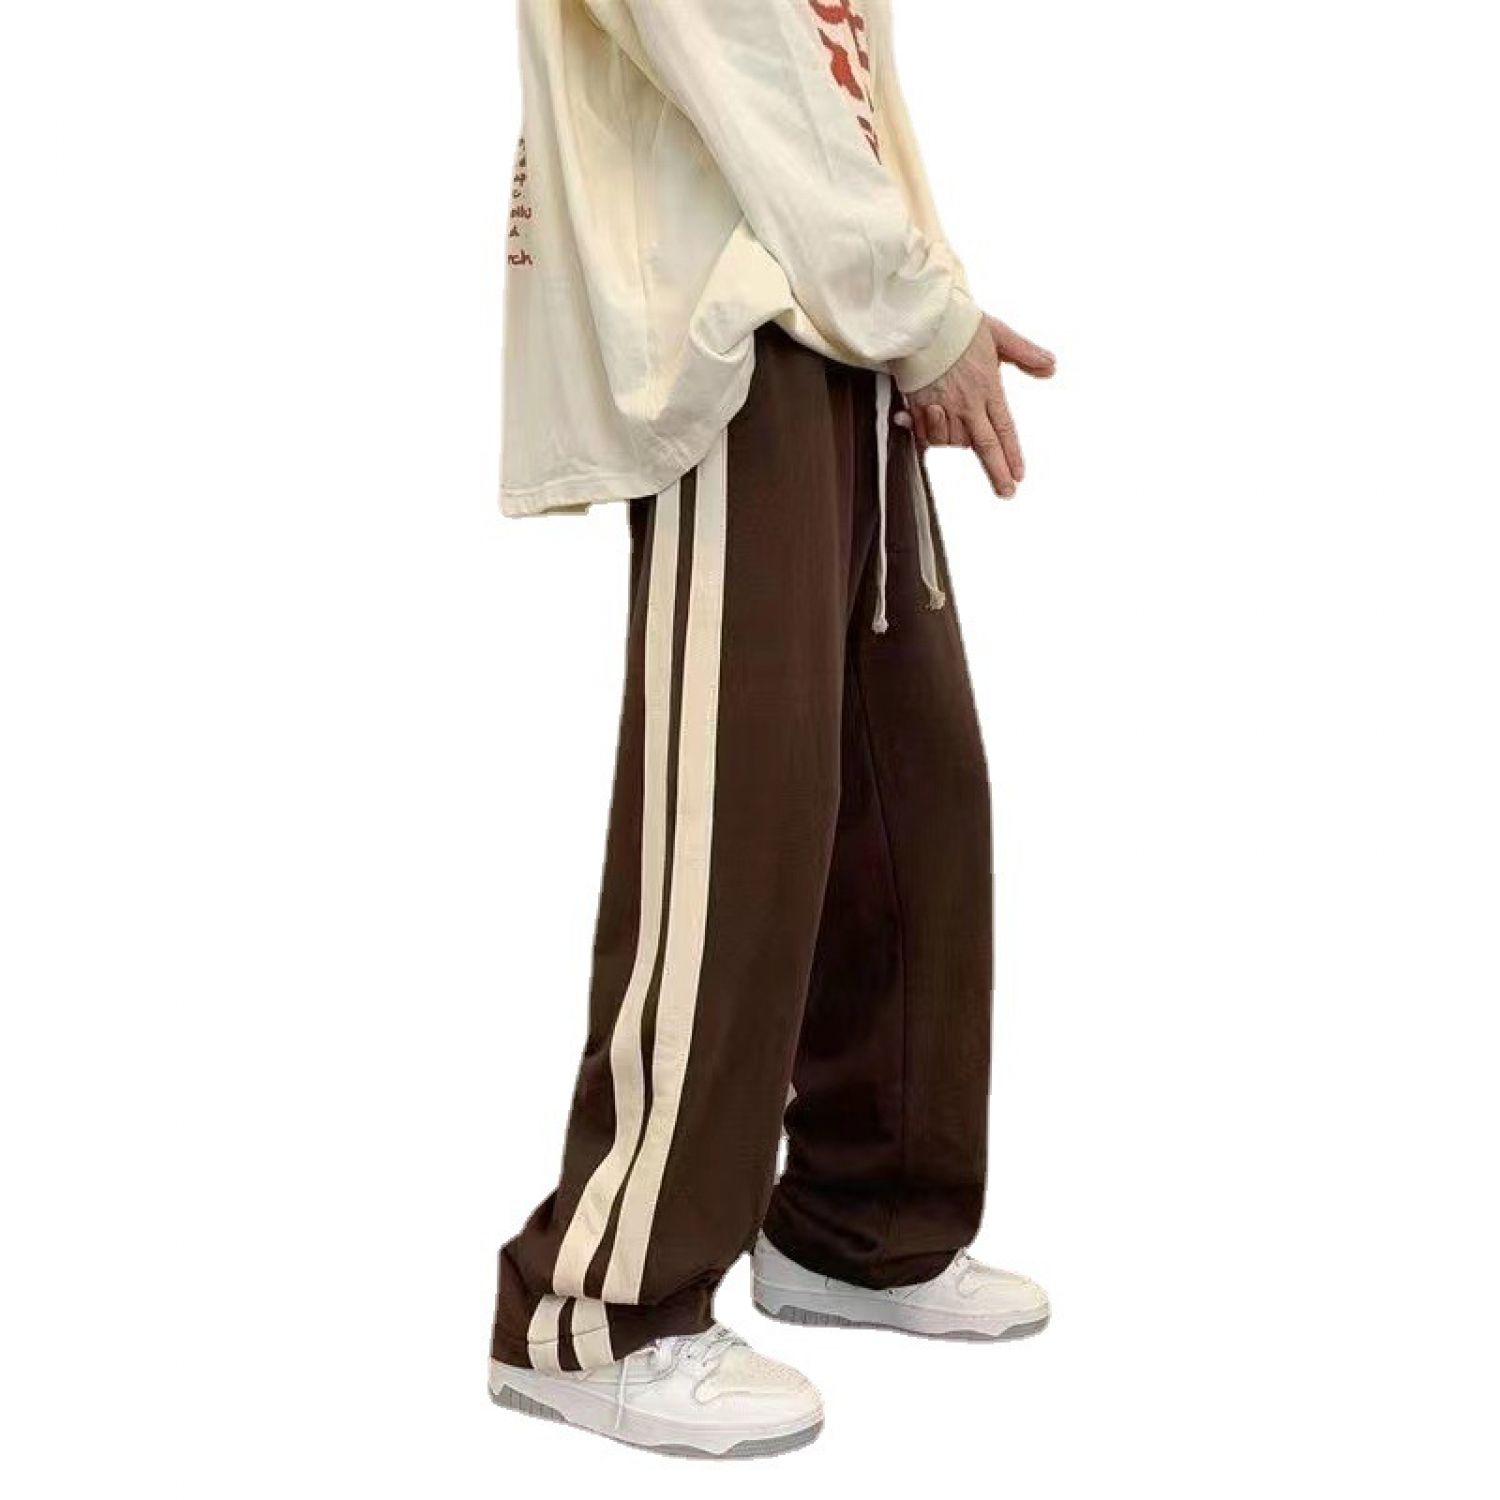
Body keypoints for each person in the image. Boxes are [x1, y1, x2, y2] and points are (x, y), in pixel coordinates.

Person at [488, 0, 1056, 1458]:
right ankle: (598, 1312)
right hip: (730, 331)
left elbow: (829, 77)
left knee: (909, 797)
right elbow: (744, 53)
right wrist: (919, 312)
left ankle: (859, 1223)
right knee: (730, 823)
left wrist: (918, 300)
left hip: (836, 314)